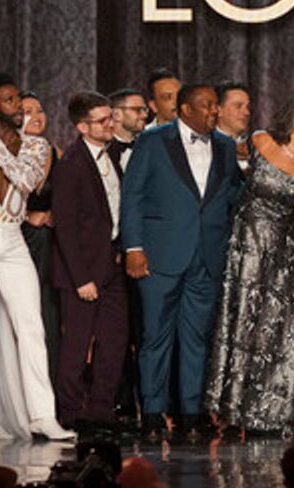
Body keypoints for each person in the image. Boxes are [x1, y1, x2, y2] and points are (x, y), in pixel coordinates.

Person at [120, 83, 244, 440]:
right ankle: (153, 414)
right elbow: (133, 196)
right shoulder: (153, 140)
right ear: (184, 109)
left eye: (215, 107)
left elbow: (231, 194)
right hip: (159, 255)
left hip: (206, 255)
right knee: (155, 337)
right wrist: (133, 248)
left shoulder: (224, 145)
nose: (214, 112)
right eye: (206, 106)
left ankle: (191, 414)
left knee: (197, 339)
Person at [0, 74, 72, 441]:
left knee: (31, 325)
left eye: (18, 97)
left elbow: (25, 181)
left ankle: (42, 415)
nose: (18, 105)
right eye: (8, 100)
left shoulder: (37, 147)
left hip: (12, 235)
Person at [204, 96, 294, 435]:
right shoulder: (260, 140)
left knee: (277, 328)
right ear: (292, 117)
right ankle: (229, 408)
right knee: (241, 320)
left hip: (284, 253)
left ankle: (271, 414)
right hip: (245, 246)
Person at [51, 92, 129, 433]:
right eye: (102, 120)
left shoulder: (111, 154)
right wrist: (81, 278)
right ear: (82, 127)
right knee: (77, 345)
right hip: (80, 271)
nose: (110, 124)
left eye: (110, 117)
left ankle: (101, 410)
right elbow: (65, 227)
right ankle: (69, 412)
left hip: (111, 264)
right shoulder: (71, 164)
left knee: (114, 340)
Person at [19, 90, 61, 377]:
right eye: (27, 111)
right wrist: (27, 216)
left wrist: (55, 214)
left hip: (48, 242)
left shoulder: (54, 151)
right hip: (16, 237)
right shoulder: (5, 151)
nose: (36, 116)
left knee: (48, 311)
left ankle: (51, 389)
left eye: (40, 110)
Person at [109, 88, 149, 174]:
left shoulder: (149, 146)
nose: (145, 115)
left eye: (145, 110)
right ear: (116, 114)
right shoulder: (100, 150)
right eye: (137, 110)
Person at [216, 81, 253, 173]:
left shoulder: (256, 148)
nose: (246, 113)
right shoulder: (203, 146)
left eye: (247, 107)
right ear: (219, 110)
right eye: (238, 106)